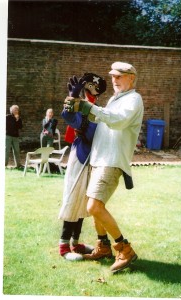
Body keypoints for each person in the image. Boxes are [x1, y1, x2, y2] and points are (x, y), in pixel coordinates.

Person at [64, 61, 144, 273]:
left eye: (119, 76)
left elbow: (117, 121)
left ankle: (124, 248)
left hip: (112, 160)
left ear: (131, 78)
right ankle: (103, 246)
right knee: (94, 207)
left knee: (93, 207)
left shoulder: (134, 99)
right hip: (99, 159)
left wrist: (88, 106)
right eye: (113, 76)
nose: (114, 80)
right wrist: (75, 106)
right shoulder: (113, 100)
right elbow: (98, 120)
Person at [59, 73, 107, 261]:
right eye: (87, 91)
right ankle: (63, 247)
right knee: (73, 198)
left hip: (91, 159)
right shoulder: (84, 111)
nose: (89, 94)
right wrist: (72, 98)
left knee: (83, 202)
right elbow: (69, 116)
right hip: (79, 156)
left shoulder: (98, 110)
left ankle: (75, 243)